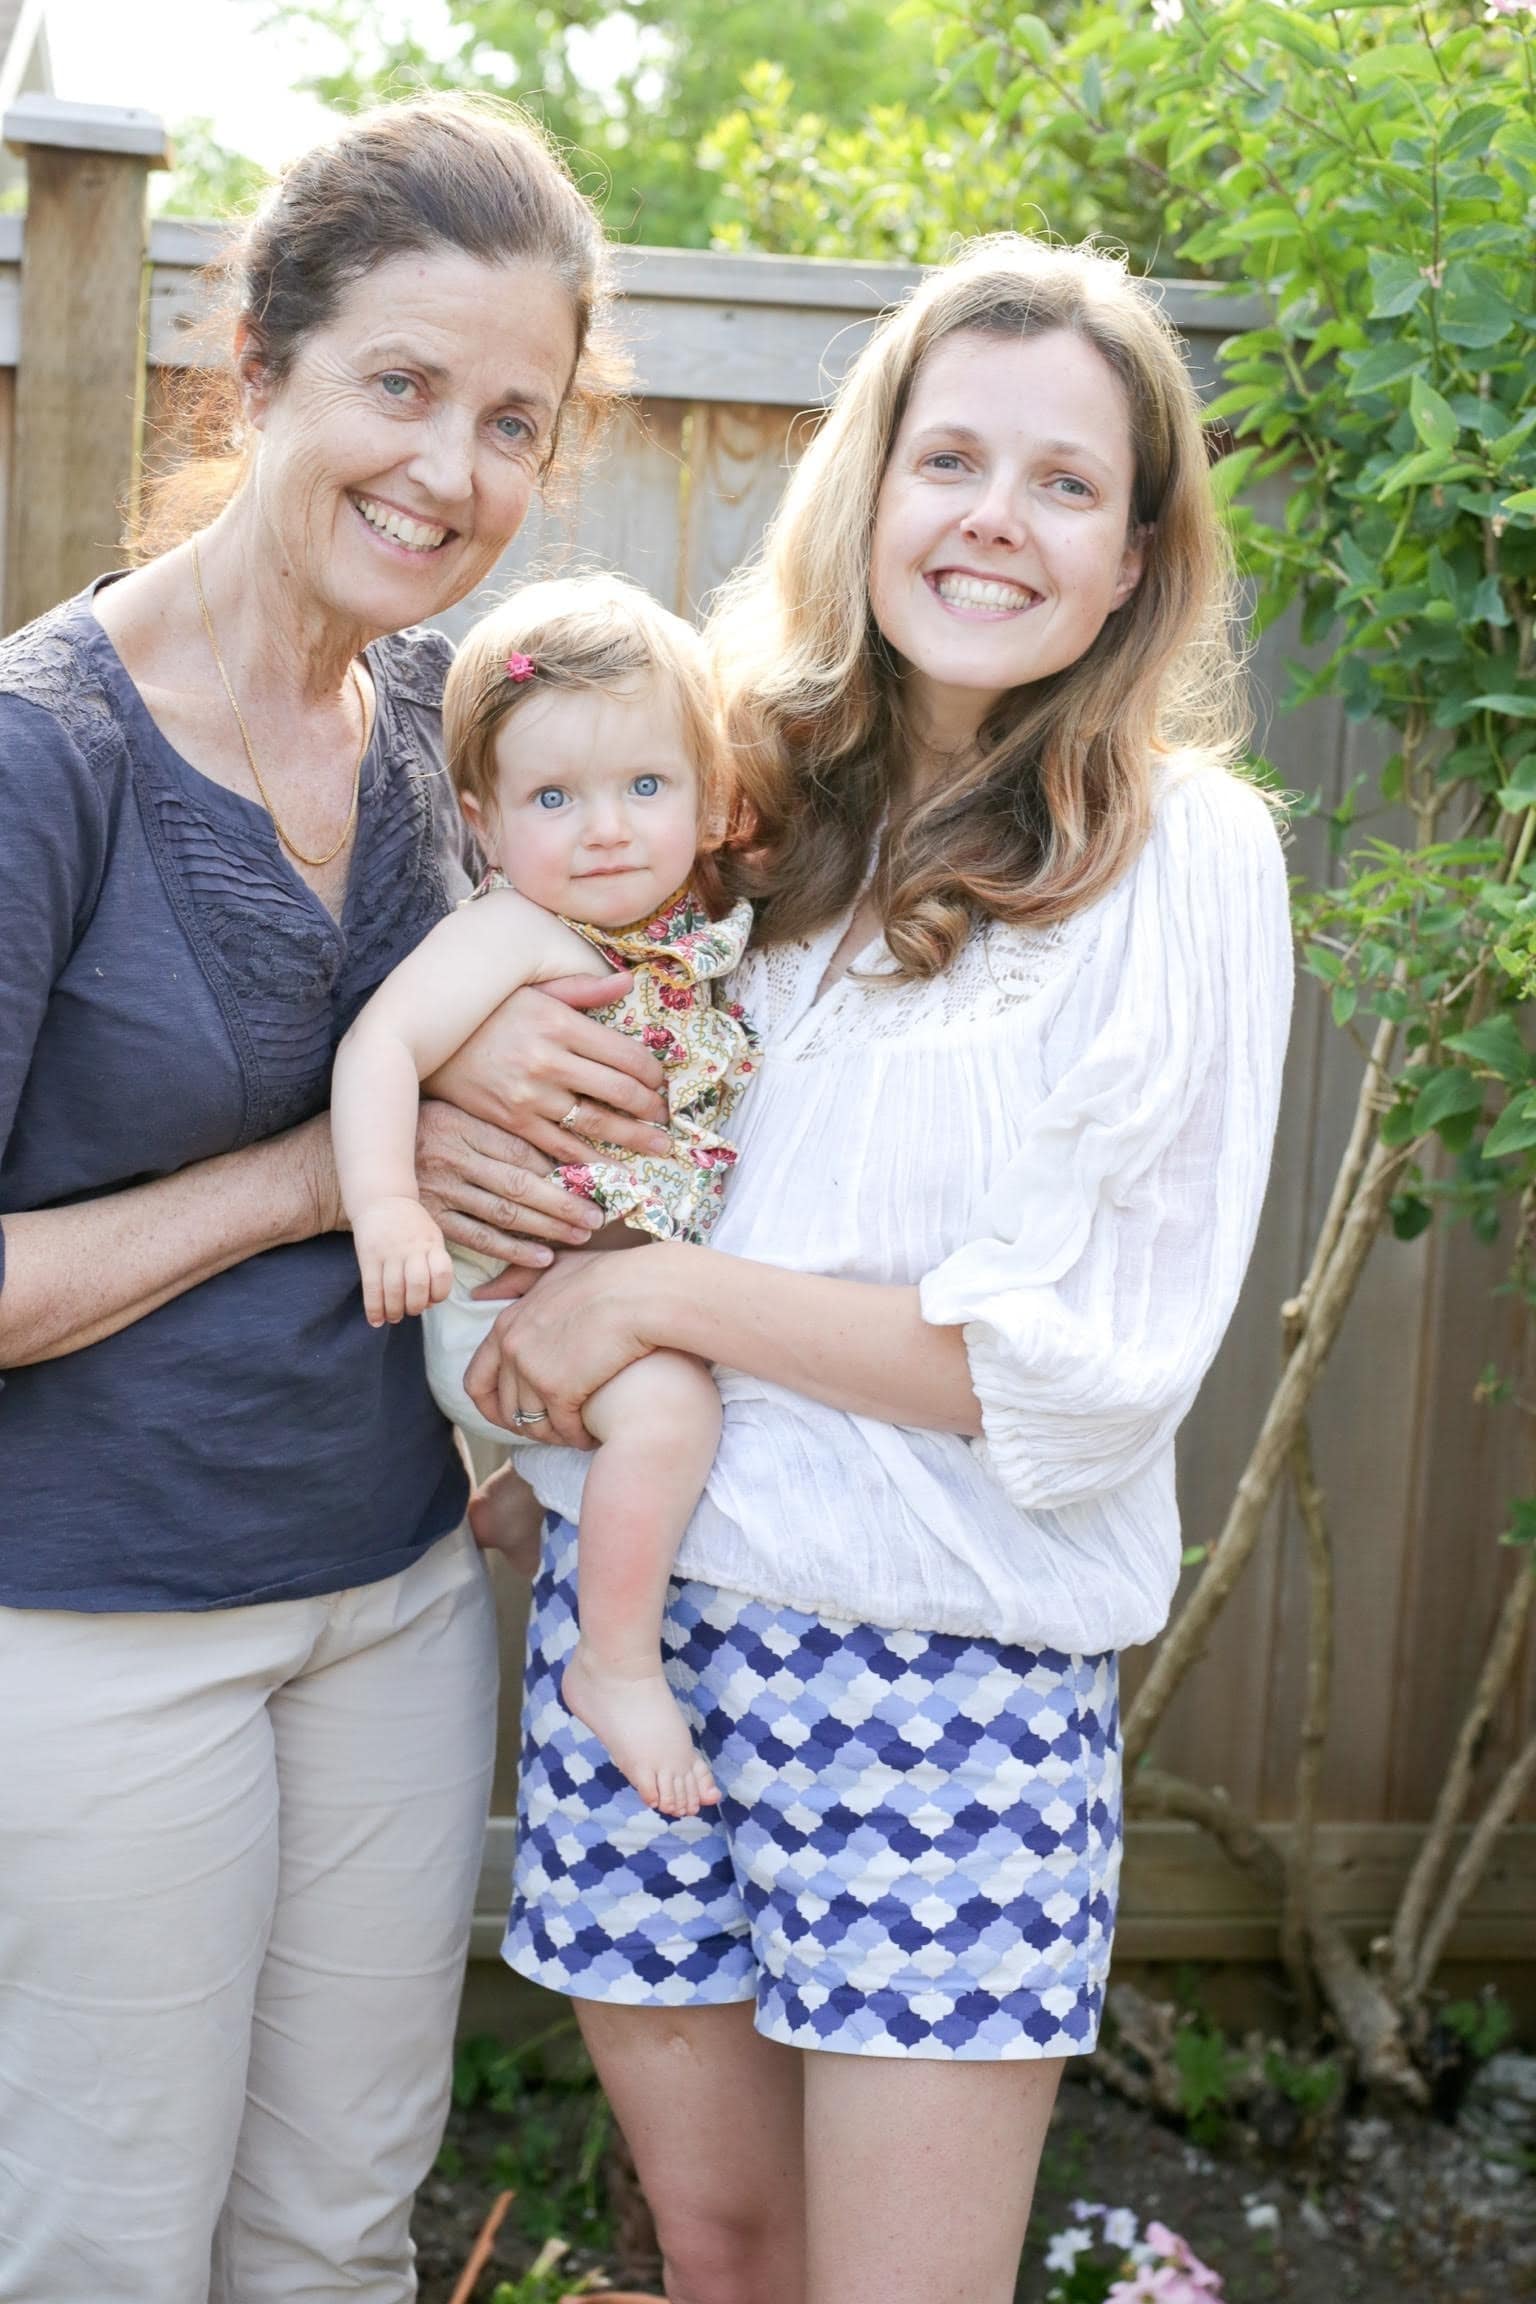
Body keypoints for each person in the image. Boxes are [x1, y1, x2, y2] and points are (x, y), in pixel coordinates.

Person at [464, 236, 1295, 2304]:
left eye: (1064, 482)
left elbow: (1093, 1369)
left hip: (944, 1678)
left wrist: (662, 1308)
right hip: (647, 1638)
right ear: (870, 487)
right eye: (951, 459)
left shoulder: (1180, 859)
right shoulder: (734, 807)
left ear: (1134, 558)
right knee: (724, 2255)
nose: (994, 518)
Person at [0, 95, 675, 2304]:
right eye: (401, 385)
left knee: (335, 2233)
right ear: (254, 355)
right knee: (107, 2246)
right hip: (100, 1636)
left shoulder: (442, 737)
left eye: (511, 419)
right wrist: (315, 1176)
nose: (452, 470)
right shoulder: (45, 757)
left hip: (389, 1593)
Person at [333, 572, 758, 1819]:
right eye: (555, 799)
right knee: (673, 1412)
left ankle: (522, 1503)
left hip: (604, 1282)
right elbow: (380, 1050)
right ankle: (612, 1667)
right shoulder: (513, 931)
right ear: (484, 818)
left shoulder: (686, 922)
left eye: (645, 787)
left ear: (709, 796)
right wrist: (388, 1209)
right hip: (503, 1302)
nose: (607, 829)